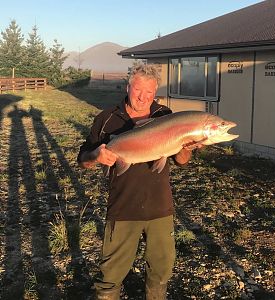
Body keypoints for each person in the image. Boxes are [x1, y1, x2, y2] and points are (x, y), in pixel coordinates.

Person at [77, 63, 192, 300]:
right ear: (128, 86)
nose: (143, 97)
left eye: (149, 93)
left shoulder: (164, 116)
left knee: (160, 272)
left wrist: (186, 145)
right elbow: (83, 160)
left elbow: (181, 160)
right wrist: (96, 156)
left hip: (160, 208)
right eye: (138, 90)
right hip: (123, 208)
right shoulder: (107, 119)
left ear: (155, 93)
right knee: (110, 274)